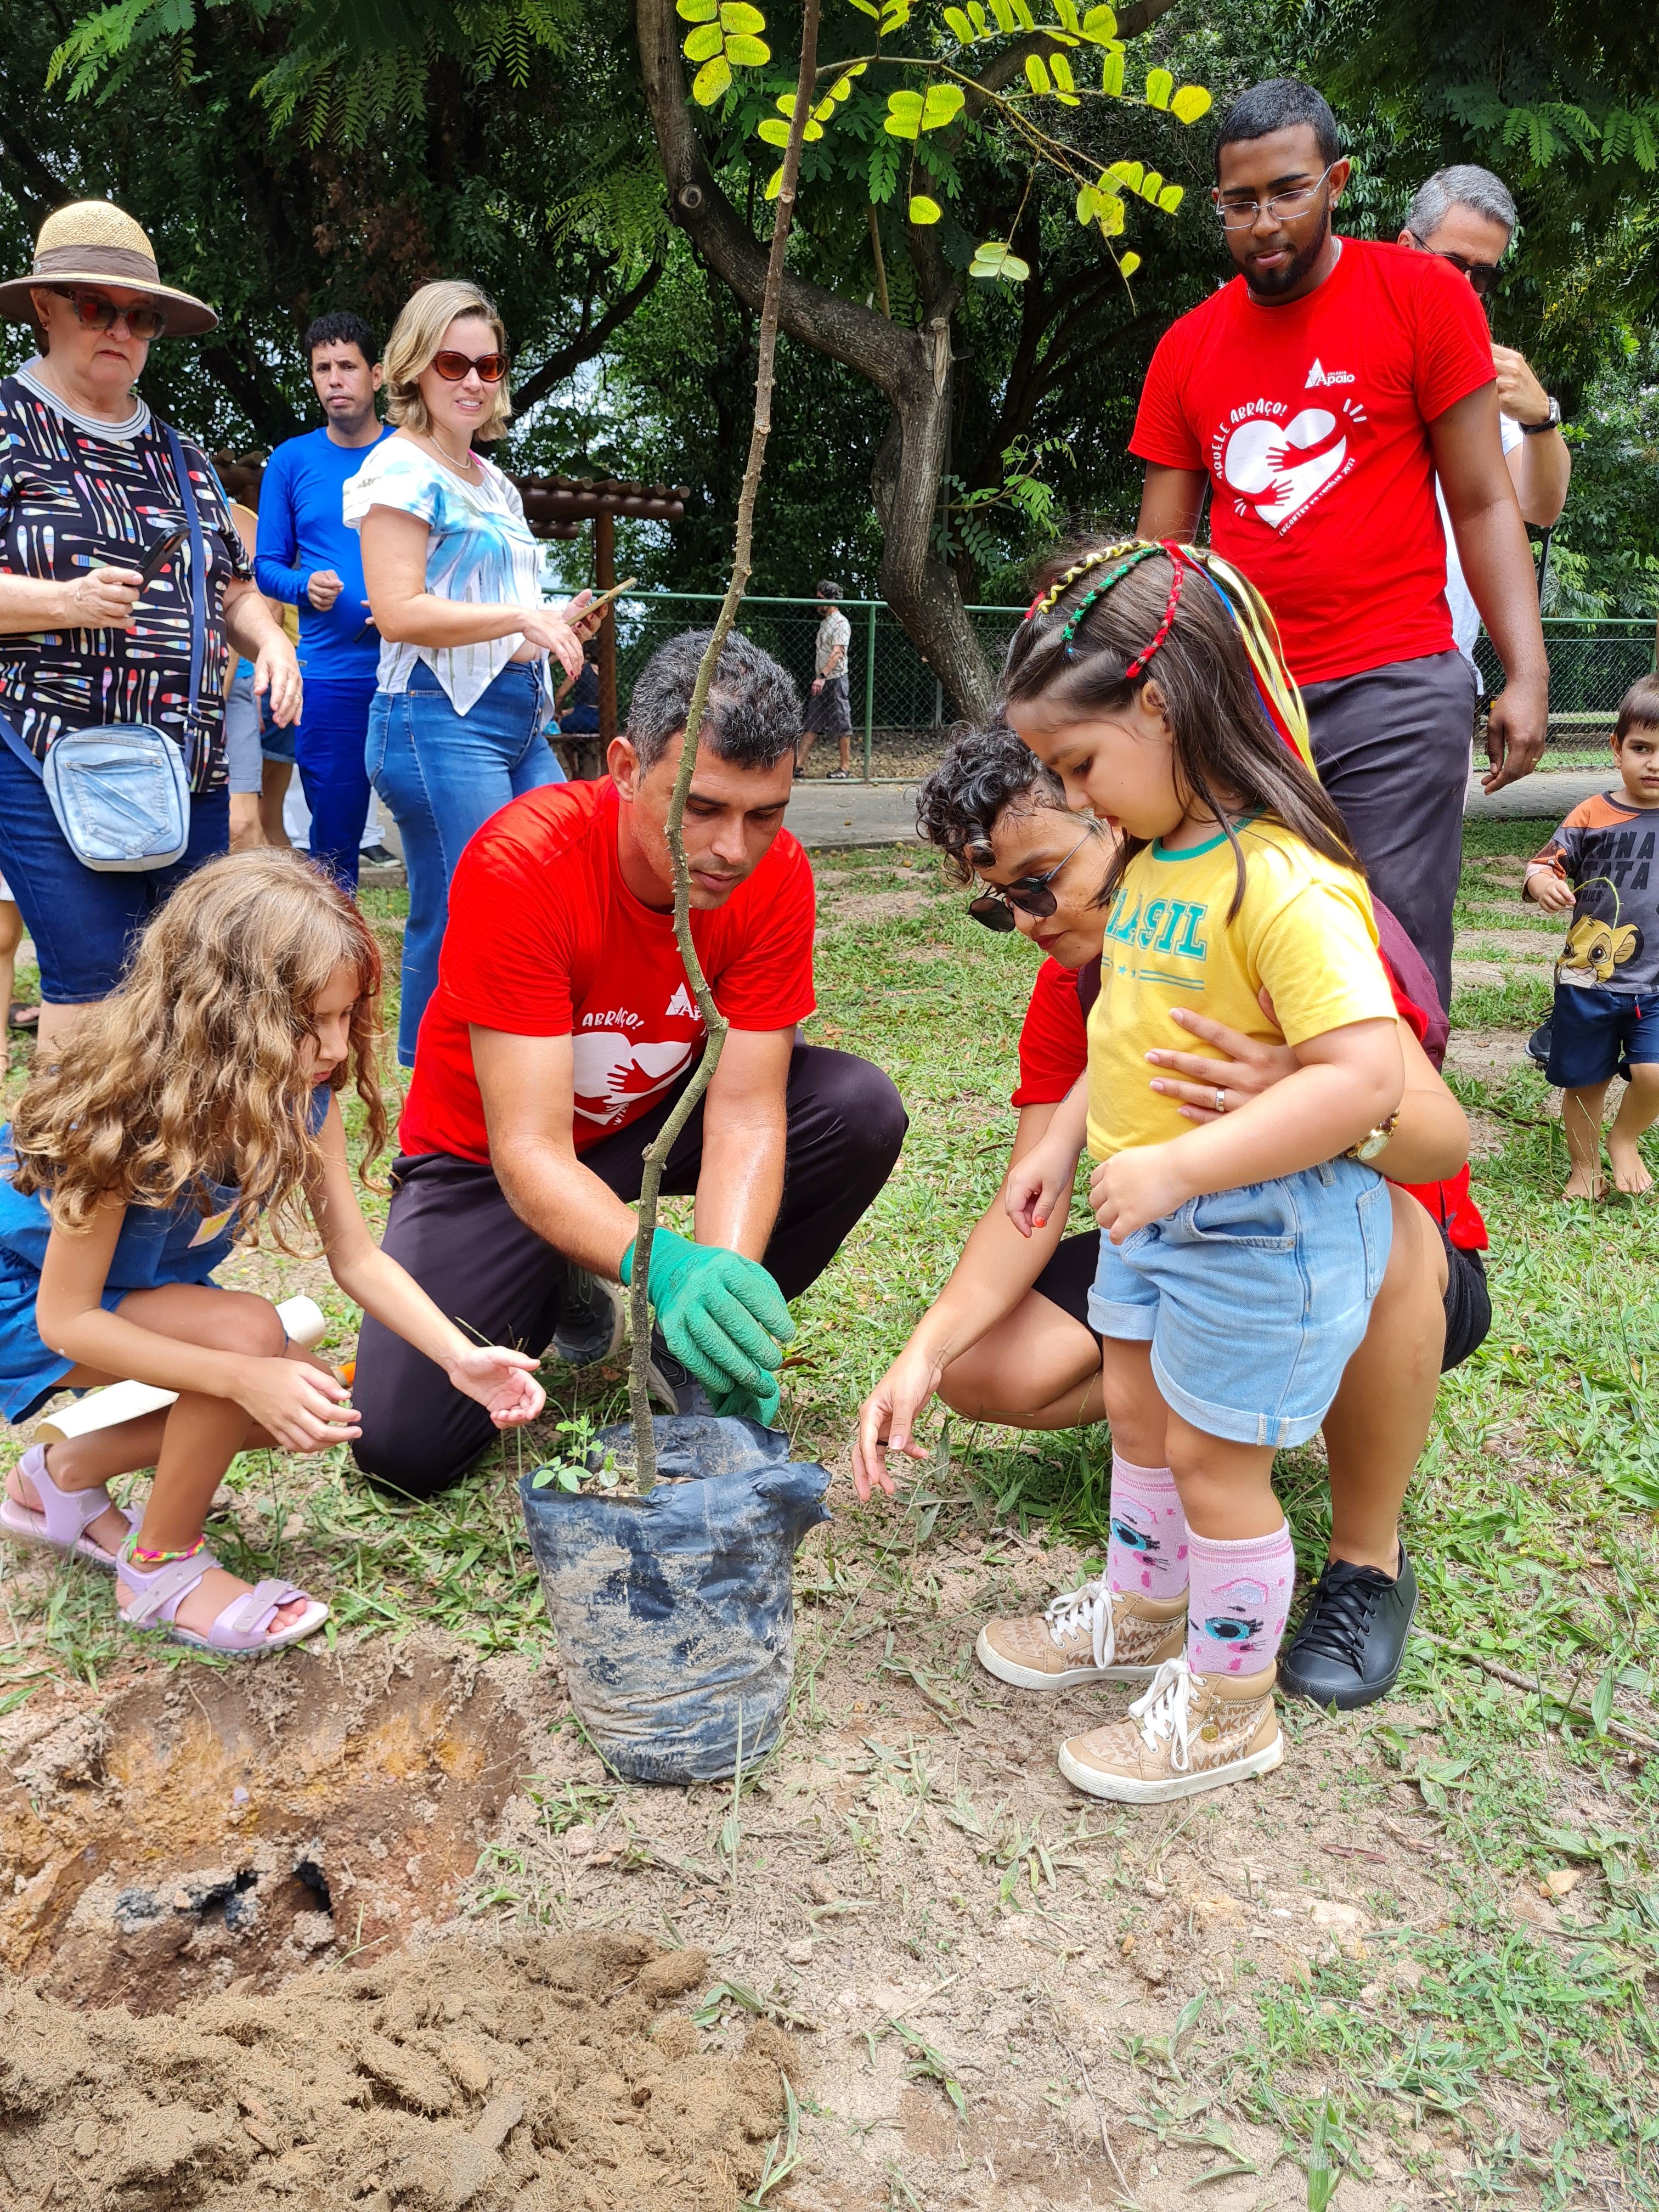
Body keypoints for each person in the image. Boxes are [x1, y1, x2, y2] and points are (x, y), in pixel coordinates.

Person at [865, 539, 1408, 1803]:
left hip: (1254, 1227)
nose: (1080, 796)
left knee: (1220, 1470)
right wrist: (1067, 1131)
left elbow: (1368, 1084)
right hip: (1159, 1225)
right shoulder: (1162, 865)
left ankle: (1229, 1705)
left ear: (1159, 707)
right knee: (1139, 1424)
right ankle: (1143, 1607)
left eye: (1079, 767)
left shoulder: (1280, 877)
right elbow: (1126, 1032)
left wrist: (1181, 1166)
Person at [859, 719, 1489, 1710]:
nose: (1025, 918)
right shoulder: (1089, 973)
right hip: (1189, 1233)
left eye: (1037, 881)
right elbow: (1036, 1187)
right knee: (988, 1365)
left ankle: (1365, 1560)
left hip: (1376, 1255)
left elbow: (1438, 1141)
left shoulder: (1267, 903)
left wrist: (1311, 1099)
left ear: (1113, 815)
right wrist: (926, 1349)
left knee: (1389, 1225)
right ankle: (1193, 1484)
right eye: (997, 904)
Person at [351, 628, 909, 1499]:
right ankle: (568, 1270)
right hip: (488, 1162)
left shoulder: (774, 878)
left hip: (645, 1126)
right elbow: (528, 1152)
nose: (733, 849)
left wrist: (715, 1286)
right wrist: (667, 1265)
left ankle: (690, 1345)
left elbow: (747, 1113)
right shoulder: (523, 864)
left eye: (765, 815)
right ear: (622, 766)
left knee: (856, 1107)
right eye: (701, 806)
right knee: (403, 1449)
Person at [0, 851, 544, 1653]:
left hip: (118, 1302)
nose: (331, 1048)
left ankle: (62, 1479)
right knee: (248, 1341)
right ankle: (159, 1568)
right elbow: (66, 1322)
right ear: (219, 1012)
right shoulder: (119, 1118)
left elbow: (356, 1258)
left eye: (343, 1018)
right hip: (27, 1301)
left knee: (314, 1392)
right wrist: (243, 1374)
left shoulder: (301, 1094)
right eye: (305, 1022)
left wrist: (457, 1358)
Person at [1131, 80, 1550, 1013]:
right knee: (1240, 932)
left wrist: (1523, 670)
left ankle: (1406, 1157)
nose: (1263, 222)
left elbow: (1483, 500)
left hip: (1392, 684)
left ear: (1334, 182)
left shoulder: (1423, 297)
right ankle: (1266, 1150)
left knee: (1385, 944)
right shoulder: (1187, 348)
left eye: (1286, 191)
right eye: (1238, 204)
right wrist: (1133, 701)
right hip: (1243, 694)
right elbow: (1157, 557)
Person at [0, 201, 301, 1060]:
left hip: (188, 765)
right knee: (93, 980)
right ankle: (76, 1186)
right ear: (47, 308)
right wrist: (60, 602)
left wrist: (271, 640)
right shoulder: (8, 426)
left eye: (140, 316)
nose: (121, 329)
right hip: (43, 754)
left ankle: (160, 1190)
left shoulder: (183, 456)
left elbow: (234, 589)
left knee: (187, 980)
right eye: (98, 308)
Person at [348, 278, 588, 1062]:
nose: (475, 381)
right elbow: (400, 612)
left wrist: (549, 633)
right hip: (432, 718)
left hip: (515, 714)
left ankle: (525, 1066)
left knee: (560, 878)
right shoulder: (399, 468)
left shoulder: (496, 482)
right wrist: (522, 618)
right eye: (454, 363)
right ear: (417, 365)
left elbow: (495, 620)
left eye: (490, 365)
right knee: (464, 908)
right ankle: (434, 1107)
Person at [1400, 165, 1572, 670]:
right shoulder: (1348, 349)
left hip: (1443, 662)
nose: (1469, 288)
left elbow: (1541, 508)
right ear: (1407, 246)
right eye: (1454, 265)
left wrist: (1541, 417)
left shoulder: (1478, 376)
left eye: (1485, 275)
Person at [253, 311, 396, 889]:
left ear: (377, 374)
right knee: (335, 849)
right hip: (331, 678)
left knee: (440, 832)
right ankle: (336, 975)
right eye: (322, 369)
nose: (335, 379)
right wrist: (303, 588)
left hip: (416, 674)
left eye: (347, 366)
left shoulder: (411, 454)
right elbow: (264, 568)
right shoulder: (290, 461)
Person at [1523, 675, 1659, 1200]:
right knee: (1585, 1085)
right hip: (1589, 980)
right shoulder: (1590, 815)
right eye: (1641, 748)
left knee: (1653, 1075)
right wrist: (1544, 882)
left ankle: (1624, 1140)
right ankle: (1585, 1170)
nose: (1653, 763)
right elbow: (1543, 863)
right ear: (1616, 748)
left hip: (1656, 986)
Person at [797, 580, 853, 781]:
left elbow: (838, 652)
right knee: (812, 722)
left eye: (820, 599)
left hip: (835, 679)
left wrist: (821, 677)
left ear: (832, 600)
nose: (817, 603)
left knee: (842, 722)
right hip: (823, 679)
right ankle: (797, 766)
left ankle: (845, 767)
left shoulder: (840, 623)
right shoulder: (825, 623)